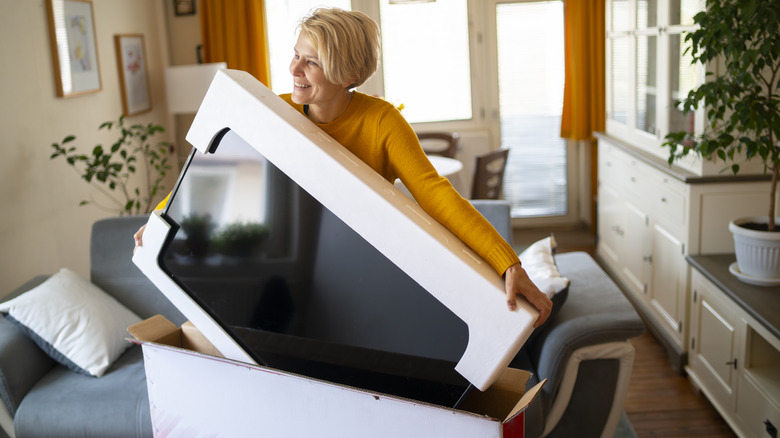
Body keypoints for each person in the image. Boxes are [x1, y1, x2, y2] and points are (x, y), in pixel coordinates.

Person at [134, 7, 552, 327]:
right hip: (281, 261)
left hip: (355, 272)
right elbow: (212, 167)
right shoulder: (275, 111)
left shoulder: (382, 121)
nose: (294, 70)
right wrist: (163, 214)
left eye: (311, 62)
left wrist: (507, 262)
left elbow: (436, 193)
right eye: (296, 55)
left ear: (348, 72)